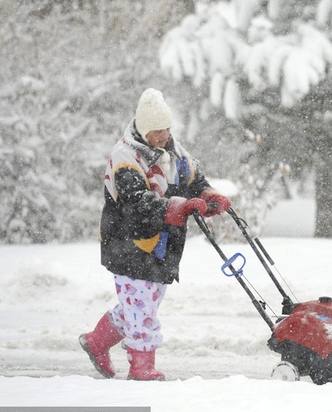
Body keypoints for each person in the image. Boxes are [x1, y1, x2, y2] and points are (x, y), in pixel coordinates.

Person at [79, 88, 231, 381]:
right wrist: (179, 207)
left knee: (138, 303)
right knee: (142, 307)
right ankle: (141, 367)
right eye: (157, 130)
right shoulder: (125, 158)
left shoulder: (173, 152)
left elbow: (192, 180)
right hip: (128, 244)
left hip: (159, 246)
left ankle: (96, 342)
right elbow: (137, 204)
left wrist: (207, 194)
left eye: (167, 128)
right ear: (143, 129)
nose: (164, 134)